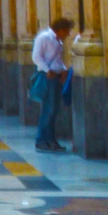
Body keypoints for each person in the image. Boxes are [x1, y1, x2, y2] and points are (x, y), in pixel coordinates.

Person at [32, 17, 73, 153]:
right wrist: (46, 70)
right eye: (67, 31)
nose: (68, 34)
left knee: (54, 110)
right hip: (47, 77)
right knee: (48, 109)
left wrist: (63, 69)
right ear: (60, 30)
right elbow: (36, 56)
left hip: (56, 77)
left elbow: (57, 59)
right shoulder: (44, 37)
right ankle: (42, 140)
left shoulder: (58, 41)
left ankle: (51, 139)